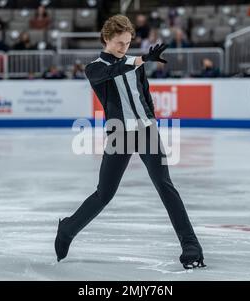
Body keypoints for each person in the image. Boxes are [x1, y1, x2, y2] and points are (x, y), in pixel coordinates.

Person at [54, 14, 205, 270]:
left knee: (165, 187)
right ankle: (68, 228)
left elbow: (144, 93)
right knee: (104, 194)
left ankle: (191, 247)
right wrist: (142, 58)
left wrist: (150, 119)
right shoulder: (95, 68)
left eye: (128, 43)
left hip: (146, 131)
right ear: (106, 38)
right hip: (119, 134)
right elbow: (114, 69)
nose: (124, 48)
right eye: (120, 43)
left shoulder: (135, 63)